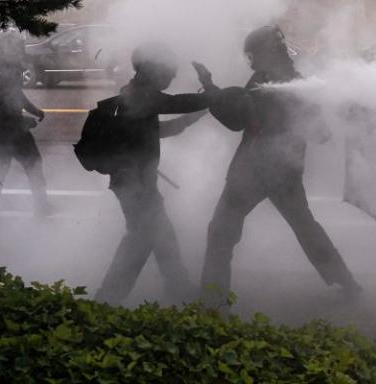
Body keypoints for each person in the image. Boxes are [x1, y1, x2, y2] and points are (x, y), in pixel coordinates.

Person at [200, 25, 360, 310]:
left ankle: (211, 301)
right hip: (284, 171)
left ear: (267, 52)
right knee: (306, 228)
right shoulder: (275, 81)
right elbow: (320, 134)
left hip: (253, 172)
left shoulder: (283, 85)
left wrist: (211, 90)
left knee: (220, 231)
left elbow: (238, 120)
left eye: (254, 55)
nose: (251, 61)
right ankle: (345, 282)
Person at [94, 43, 214, 305]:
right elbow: (176, 103)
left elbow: (164, 129)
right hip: (133, 183)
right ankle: (106, 300)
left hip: (140, 182)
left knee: (163, 236)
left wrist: (198, 113)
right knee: (139, 240)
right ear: (153, 70)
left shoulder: (137, 95)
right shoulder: (141, 96)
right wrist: (212, 96)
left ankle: (178, 287)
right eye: (168, 71)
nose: (171, 77)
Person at [0, 33, 53, 220]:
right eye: (18, 47)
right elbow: (4, 102)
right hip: (10, 131)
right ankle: (42, 207)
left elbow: (17, 95)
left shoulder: (3, 68)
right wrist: (23, 120)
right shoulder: (3, 70)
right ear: (7, 49)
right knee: (34, 166)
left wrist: (35, 110)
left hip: (1, 131)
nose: (22, 50)